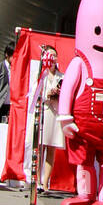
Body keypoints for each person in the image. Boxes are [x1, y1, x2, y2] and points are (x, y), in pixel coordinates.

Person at [38, 46, 65, 192]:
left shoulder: (62, 76)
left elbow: (67, 96)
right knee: (40, 148)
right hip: (44, 112)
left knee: (51, 149)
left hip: (55, 114)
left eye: (55, 55)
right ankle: (36, 180)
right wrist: (47, 93)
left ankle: (45, 182)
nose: (53, 58)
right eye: (50, 55)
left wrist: (58, 93)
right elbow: (33, 95)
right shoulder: (40, 74)